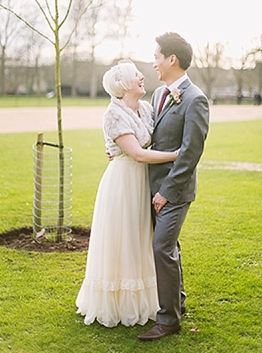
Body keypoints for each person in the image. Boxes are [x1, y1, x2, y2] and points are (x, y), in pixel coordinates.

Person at [76, 61, 179, 327]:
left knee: (139, 239)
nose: (142, 76)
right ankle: (118, 303)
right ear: (123, 86)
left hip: (142, 181)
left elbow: (160, 131)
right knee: (121, 239)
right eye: (136, 75)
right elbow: (137, 153)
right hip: (122, 183)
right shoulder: (113, 114)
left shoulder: (145, 108)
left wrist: (176, 100)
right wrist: (175, 156)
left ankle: (145, 299)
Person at [137, 32, 210, 341]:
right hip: (151, 186)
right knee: (169, 247)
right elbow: (150, 136)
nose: (153, 63)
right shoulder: (158, 94)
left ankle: (168, 320)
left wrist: (166, 191)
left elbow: (191, 151)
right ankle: (176, 302)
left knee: (161, 247)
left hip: (174, 192)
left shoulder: (195, 99)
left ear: (171, 59)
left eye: (156, 57)